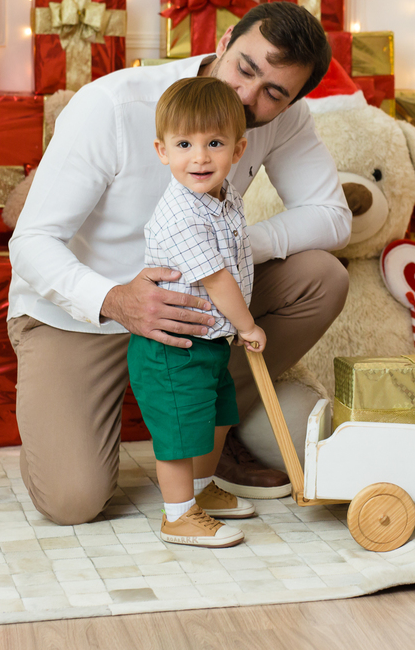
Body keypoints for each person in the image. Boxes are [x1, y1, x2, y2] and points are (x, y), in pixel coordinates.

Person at [8, 2, 351, 526]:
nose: (247, 96)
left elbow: (332, 217)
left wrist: (224, 248)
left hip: (200, 313)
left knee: (321, 279)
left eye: (274, 93)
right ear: (225, 40)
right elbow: (30, 242)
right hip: (83, 312)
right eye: (245, 68)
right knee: (73, 501)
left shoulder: (282, 120)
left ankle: (210, 429)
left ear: (294, 101)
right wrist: (115, 300)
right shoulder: (114, 105)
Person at [128, 77, 266, 547]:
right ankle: (178, 514)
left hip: (207, 341)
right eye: (184, 144)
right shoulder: (181, 213)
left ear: (238, 148)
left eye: (214, 143)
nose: (200, 157)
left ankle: (203, 491)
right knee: (180, 428)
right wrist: (247, 324)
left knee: (217, 415)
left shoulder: (224, 200)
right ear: (162, 150)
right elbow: (216, 278)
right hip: (173, 347)